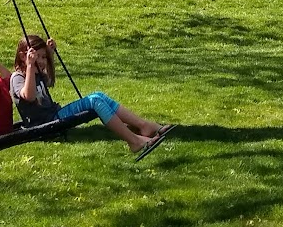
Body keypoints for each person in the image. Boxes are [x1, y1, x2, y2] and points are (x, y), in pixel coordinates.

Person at [10, 34, 172, 156]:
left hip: (53, 115)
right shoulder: (18, 77)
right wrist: (31, 66)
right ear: (24, 57)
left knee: (99, 96)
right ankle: (134, 141)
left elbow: (49, 80)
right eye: (37, 57)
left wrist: (50, 55)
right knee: (95, 101)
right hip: (44, 124)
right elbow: (28, 96)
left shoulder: (36, 73)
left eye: (43, 57)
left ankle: (143, 126)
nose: (42, 61)